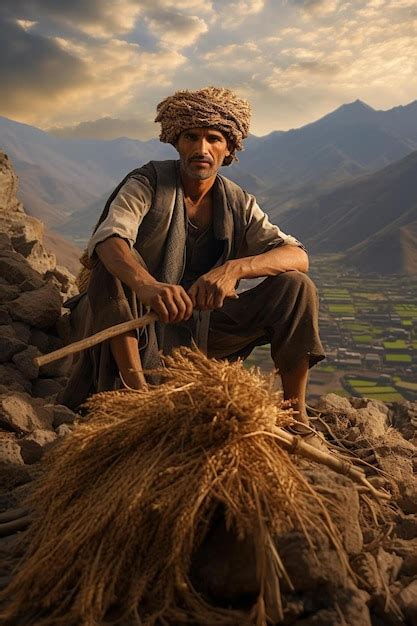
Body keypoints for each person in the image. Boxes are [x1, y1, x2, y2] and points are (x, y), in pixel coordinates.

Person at [61, 86, 325, 424]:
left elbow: (297, 255)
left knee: (296, 287)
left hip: (202, 330)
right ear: (177, 142)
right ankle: (136, 396)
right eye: (191, 136)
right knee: (114, 267)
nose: (202, 148)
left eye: (214, 138)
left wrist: (233, 269)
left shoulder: (237, 202)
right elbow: (110, 237)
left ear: (228, 148)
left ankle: (295, 413)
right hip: (134, 323)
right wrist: (147, 286)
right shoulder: (147, 183)